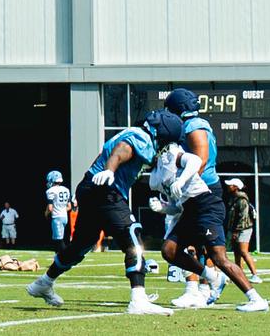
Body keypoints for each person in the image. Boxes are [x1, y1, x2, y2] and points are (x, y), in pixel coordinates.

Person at [24, 110, 181, 316]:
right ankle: (138, 299)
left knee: (81, 244)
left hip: (91, 187)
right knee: (131, 234)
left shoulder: (135, 132)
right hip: (107, 189)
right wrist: (110, 170)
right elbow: (120, 151)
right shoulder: (140, 138)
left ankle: (43, 283)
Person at [159, 88, 264, 310]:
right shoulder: (186, 127)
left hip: (205, 195)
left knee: (218, 256)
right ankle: (201, 287)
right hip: (193, 196)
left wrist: (184, 184)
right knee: (171, 249)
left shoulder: (194, 126)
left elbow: (201, 159)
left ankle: (255, 299)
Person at [223, 178, 258, 282]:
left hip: (243, 229)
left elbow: (243, 217)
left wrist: (236, 231)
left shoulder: (241, 199)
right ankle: (239, 274)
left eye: (231, 185)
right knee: (237, 252)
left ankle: (255, 275)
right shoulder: (233, 198)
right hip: (236, 229)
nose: (228, 186)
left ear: (236, 187)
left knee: (243, 251)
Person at [45, 170, 71, 249]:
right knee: (58, 238)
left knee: (58, 240)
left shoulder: (50, 191)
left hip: (57, 217)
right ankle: (59, 255)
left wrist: (46, 214)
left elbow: (50, 208)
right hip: (64, 217)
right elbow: (69, 206)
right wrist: (62, 210)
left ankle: (64, 257)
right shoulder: (66, 190)